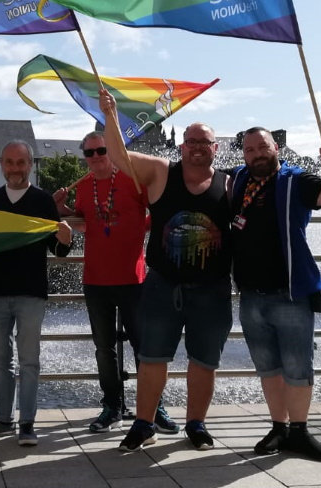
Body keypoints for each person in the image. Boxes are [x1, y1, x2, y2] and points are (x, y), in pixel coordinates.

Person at [95, 91, 234, 452]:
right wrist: (110, 115)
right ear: (182, 146)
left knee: (204, 361)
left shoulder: (231, 183)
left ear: (216, 148)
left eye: (204, 142)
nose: (197, 147)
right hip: (162, 285)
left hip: (212, 288)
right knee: (153, 358)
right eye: (190, 141)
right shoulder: (160, 172)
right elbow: (118, 156)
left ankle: (196, 424)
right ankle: (144, 424)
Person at [52, 131, 178, 435]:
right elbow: (83, 222)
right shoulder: (82, 186)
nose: (96, 157)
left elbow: (156, 213)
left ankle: (154, 408)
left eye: (102, 150)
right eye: (89, 153)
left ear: (114, 150)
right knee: (103, 349)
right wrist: (62, 209)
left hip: (134, 279)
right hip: (95, 280)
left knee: (144, 349)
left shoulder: (134, 179)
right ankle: (111, 406)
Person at [230, 127, 321, 462]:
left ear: (275, 147)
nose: (256, 154)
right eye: (249, 150)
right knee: (268, 367)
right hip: (250, 295)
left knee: (298, 366)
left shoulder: (296, 179)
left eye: (262, 147)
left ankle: (300, 431)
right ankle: (279, 427)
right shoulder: (236, 180)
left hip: (291, 294)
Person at [0, 141, 73, 447]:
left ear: (30, 165)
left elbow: (58, 250)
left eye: (21, 162)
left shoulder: (42, 201)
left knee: (29, 362)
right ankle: (3, 419)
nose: (15, 168)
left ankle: (27, 423)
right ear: (2, 165)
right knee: (0, 361)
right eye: (10, 162)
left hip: (31, 293)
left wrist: (66, 239)